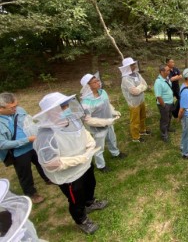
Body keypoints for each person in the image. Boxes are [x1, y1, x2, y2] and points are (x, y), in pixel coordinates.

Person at [33, 92, 108, 235]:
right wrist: (78, 159)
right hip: (69, 175)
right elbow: (50, 163)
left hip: (85, 164)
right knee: (76, 199)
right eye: (62, 107)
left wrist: (90, 144)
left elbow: (83, 133)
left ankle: (90, 202)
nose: (66, 108)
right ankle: (81, 220)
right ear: (51, 112)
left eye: (66, 105)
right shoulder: (46, 134)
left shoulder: (72, 119)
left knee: (90, 184)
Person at [0, 92, 49, 204]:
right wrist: (27, 140)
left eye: (16, 105)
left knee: (41, 162)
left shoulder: (20, 110)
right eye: (12, 107)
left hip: (34, 145)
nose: (16, 109)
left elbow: (29, 122)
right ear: (1, 109)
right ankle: (31, 193)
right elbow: (2, 144)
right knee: (24, 173)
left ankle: (48, 178)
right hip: (18, 152)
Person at [80, 73, 126, 173]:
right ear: (88, 86)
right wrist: (104, 122)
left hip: (109, 121)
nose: (98, 83)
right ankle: (101, 165)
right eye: (95, 82)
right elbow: (88, 120)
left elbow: (107, 104)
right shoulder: (86, 102)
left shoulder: (102, 92)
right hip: (97, 128)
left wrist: (113, 111)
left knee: (112, 138)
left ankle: (115, 153)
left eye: (98, 81)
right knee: (98, 147)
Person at [119, 57, 151, 143]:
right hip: (133, 103)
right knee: (135, 120)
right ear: (127, 67)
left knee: (143, 116)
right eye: (132, 65)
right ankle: (135, 137)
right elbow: (134, 92)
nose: (134, 66)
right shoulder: (126, 79)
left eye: (133, 64)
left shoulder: (136, 74)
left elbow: (145, 84)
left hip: (141, 100)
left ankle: (142, 130)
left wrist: (140, 87)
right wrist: (141, 87)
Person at [154, 64, 174, 143]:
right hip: (164, 104)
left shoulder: (167, 78)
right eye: (167, 70)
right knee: (164, 119)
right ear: (162, 72)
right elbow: (158, 96)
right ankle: (164, 135)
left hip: (170, 102)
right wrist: (164, 105)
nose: (169, 71)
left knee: (169, 116)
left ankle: (168, 128)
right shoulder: (158, 82)